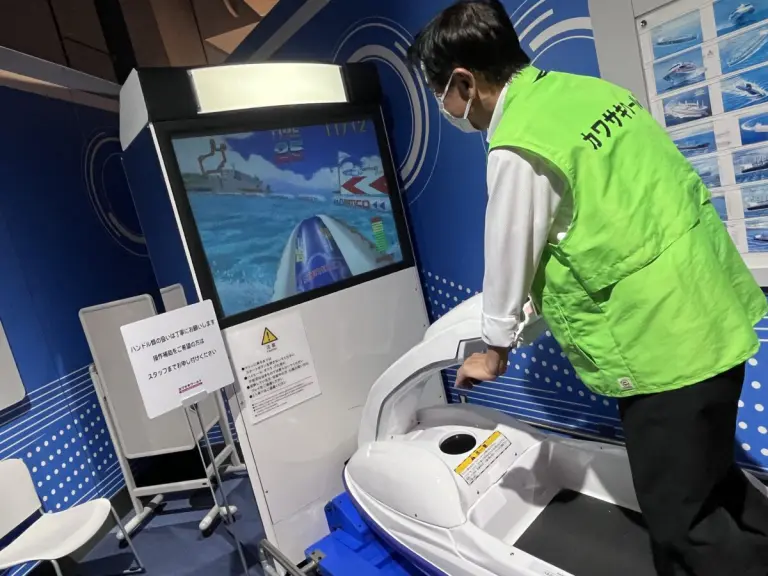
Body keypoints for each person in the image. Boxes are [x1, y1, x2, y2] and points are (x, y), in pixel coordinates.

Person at [408, 1, 768, 575]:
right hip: (713, 310)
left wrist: (493, 351)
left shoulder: (519, 142)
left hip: (662, 345)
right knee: (716, 481)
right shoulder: (590, 94)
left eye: (438, 93)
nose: (445, 107)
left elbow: (508, 254)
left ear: (464, 83)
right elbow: (602, 221)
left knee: (684, 525)